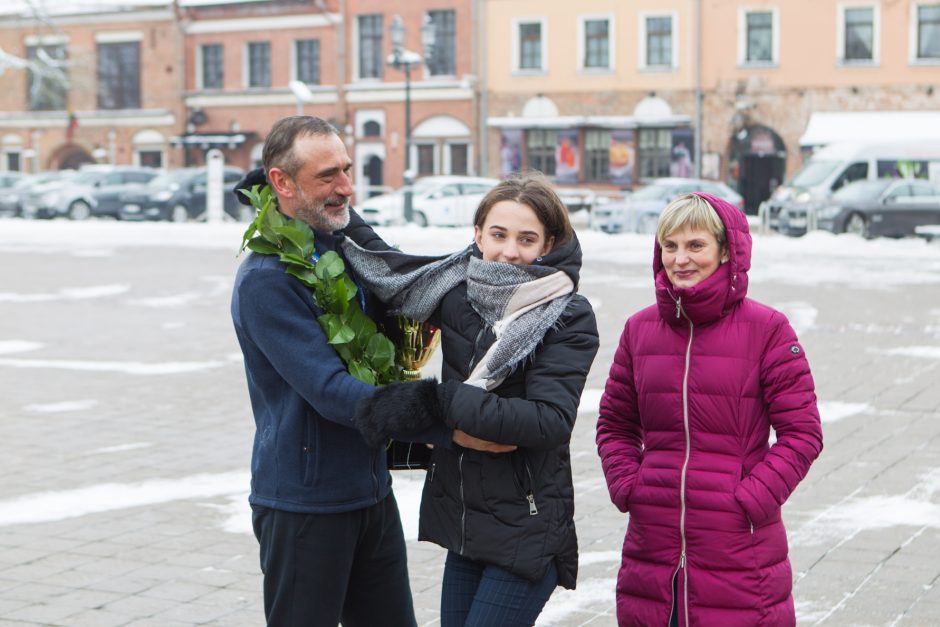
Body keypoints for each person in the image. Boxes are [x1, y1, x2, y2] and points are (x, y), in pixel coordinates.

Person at [230, 116, 503, 626]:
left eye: (347, 170)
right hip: (304, 504)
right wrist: (447, 422)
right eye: (327, 176)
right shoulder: (265, 280)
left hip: (369, 489)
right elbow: (331, 391)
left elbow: (407, 279)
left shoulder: (344, 245)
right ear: (281, 183)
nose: (347, 188)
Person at [341, 172, 600, 626]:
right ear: (477, 234)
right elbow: (387, 262)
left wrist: (440, 402)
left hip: (525, 526)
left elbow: (547, 421)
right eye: (498, 234)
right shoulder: (456, 292)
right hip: (464, 525)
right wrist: (331, 200)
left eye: (527, 238)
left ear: (549, 244)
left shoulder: (566, 314)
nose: (509, 251)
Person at [595, 192, 823, 626]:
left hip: (739, 547)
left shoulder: (769, 330)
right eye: (670, 246)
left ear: (726, 251)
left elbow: (803, 434)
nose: (680, 259)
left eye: (695, 245)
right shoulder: (639, 330)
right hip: (653, 544)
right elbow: (615, 424)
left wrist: (750, 499)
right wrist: (630, 485)